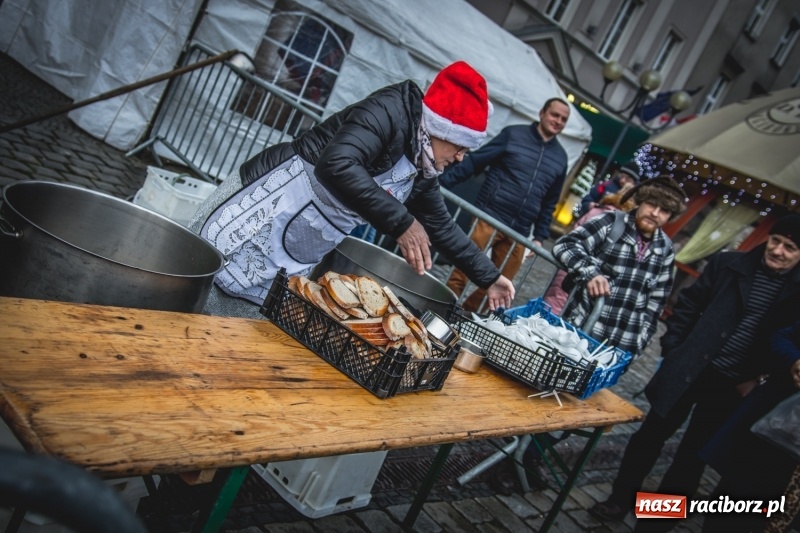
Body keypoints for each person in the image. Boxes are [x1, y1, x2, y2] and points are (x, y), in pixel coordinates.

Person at [187, 61, 515, 319]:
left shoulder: (421, 167)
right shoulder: (390, 110)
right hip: (268, 207)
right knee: (197, 291)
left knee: (241, 321)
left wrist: (489, 278)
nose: (460, 157)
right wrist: (401, 223)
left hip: (299, 241)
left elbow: (441, 227)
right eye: (459, 146)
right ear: (439, 129)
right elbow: (338, 164)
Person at [589, 213, 800, 531]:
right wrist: (675, 349)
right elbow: (688, 303)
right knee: (649, 439)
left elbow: (783, 339)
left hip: (732, 384)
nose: (779, 250)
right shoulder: (729, 263)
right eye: (776, 241)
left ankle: (655, 523)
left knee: (690, 458)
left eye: (790, 247)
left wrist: (755, 379)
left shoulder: (796, 292)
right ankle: (620, 500)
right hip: (689, 367)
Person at [438, 97, 571, 312]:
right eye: (555, 115)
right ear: (542, 113)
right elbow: (475, 161)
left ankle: (464, 317)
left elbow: (550, 202)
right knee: (462, 271)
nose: (558, 121)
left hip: (520, 231)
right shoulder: (514, 134)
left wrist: (539, 237)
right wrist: (440, 184)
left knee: (501, 284)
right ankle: (440, 308)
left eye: (563, 119)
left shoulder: (560, 158)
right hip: (489, 217)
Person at [552, 177, 685, 358]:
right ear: (641, 201)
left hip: (619, 347)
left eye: (664, 210)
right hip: (579, 333)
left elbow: (656, 302)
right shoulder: (610, 222)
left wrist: (640, 342)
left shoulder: (665, 249)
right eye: (652, 204)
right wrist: (591, 272)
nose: (655, 213)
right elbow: (565, 245)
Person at [699, 321, 800, 533]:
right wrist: (794, 361)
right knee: (729, 501)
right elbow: (780, 337)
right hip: (769, 429)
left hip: (793, 468)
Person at [542, 183, 635, 315]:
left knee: (557, 298)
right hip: (578, 266)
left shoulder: (599, 210)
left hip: (574, 266)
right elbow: (571, 240)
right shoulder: (608, 218)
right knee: (558, 301)